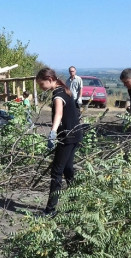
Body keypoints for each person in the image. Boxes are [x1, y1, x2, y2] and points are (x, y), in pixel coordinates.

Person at [36, 67, 83, 215]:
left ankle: (50, 211)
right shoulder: (64, 89)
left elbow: (59, 114)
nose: (40, 87)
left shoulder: (58, 94)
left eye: (41, 84)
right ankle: (77, 203)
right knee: (68, 169)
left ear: (50, 80)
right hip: (76, 134)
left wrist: (53, 132)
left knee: (56, 173)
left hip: (67, 137)